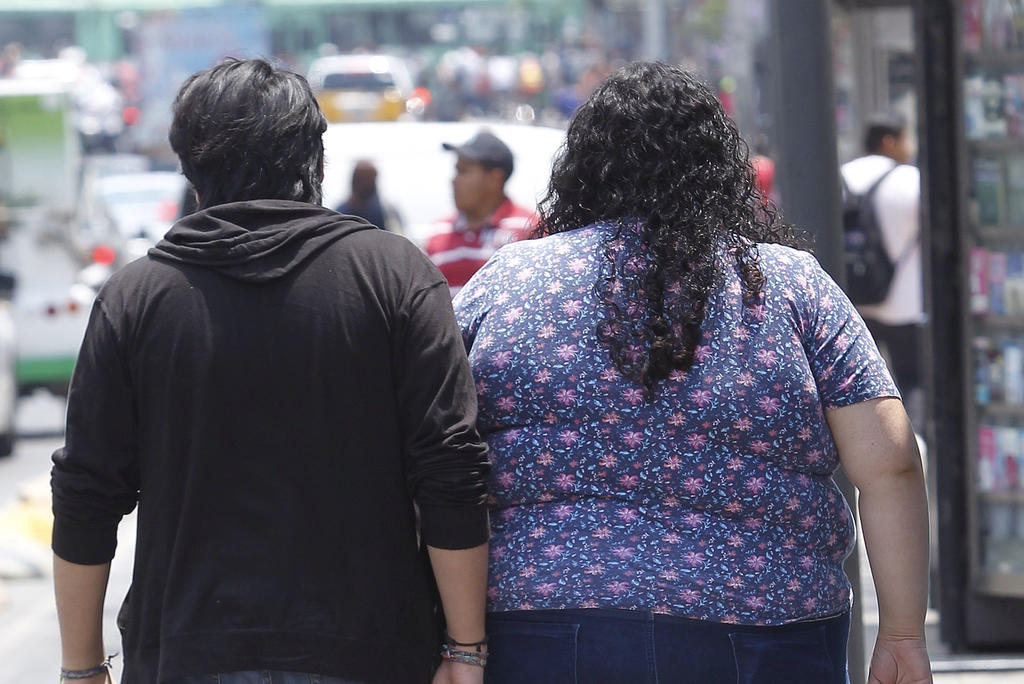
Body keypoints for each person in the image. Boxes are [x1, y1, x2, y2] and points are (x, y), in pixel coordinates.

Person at [454, 62, 932, 684]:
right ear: (722, 170)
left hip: (543, 622)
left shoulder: (508, 280)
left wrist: (455, 642)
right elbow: (891, 462)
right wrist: (902, 634)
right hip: (764, 623)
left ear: (581, 170)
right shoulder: (791, 285)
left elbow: (438, 451)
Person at [51, 58, 491, 684]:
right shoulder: (395, 276)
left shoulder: (135, 298)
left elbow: (86, 493)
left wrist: (81, 668)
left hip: (187, 653)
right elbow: (449, 467)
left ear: (190, 168)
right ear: (315, 159)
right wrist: (465, 648)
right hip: (370, 650)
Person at [840, 111, 923, 421]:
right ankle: (916, 441)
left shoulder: (840, 175)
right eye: (905, 139)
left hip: (852, 300)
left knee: (864, 387)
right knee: (912, 381)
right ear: (889, 141)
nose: (909, 147)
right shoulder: (909, 179)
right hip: (904, 303)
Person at [423, 130, 534, 296]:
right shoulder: (439, 232)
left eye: (463, 171)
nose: (454, 180)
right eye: (456, 171)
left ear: (495, 178)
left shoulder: (528, 228)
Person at [335, 159, 403, 233]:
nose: (365, 184)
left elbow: (398, 234)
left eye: (369, 179)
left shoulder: (388, 212)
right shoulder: (340, 212)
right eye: (362, 179)